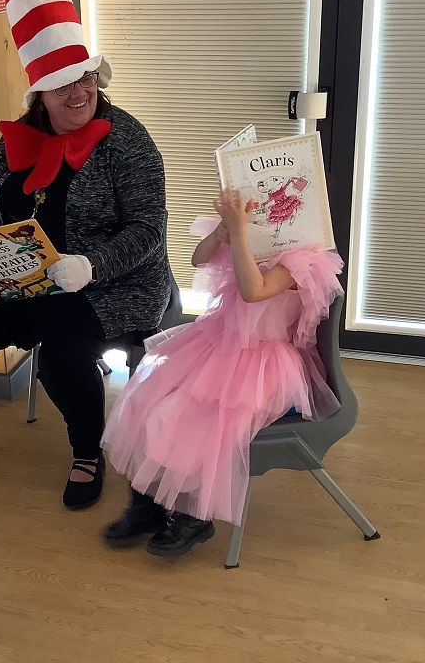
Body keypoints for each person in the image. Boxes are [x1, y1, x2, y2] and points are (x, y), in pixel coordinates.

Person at [0, 0, 169, 510]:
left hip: (114, 285)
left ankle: (87, 452)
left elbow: (149, 230)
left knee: (63, 353)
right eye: (60, 85)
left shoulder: (127, 140)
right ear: (39, 94)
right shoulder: (18, 139)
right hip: (27, 280)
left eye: (84, 78)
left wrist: (90, 266)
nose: (77, 92)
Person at [100, 189, 344, 556]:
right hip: (216, 342)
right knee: (148, 398)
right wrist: (220, 233)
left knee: (196, 421)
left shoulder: (305, 258)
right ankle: (147, 504)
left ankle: (194, 514)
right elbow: (198, 260)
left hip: (262, 361)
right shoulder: (249, 234)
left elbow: (253, 291)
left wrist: (240, 233)